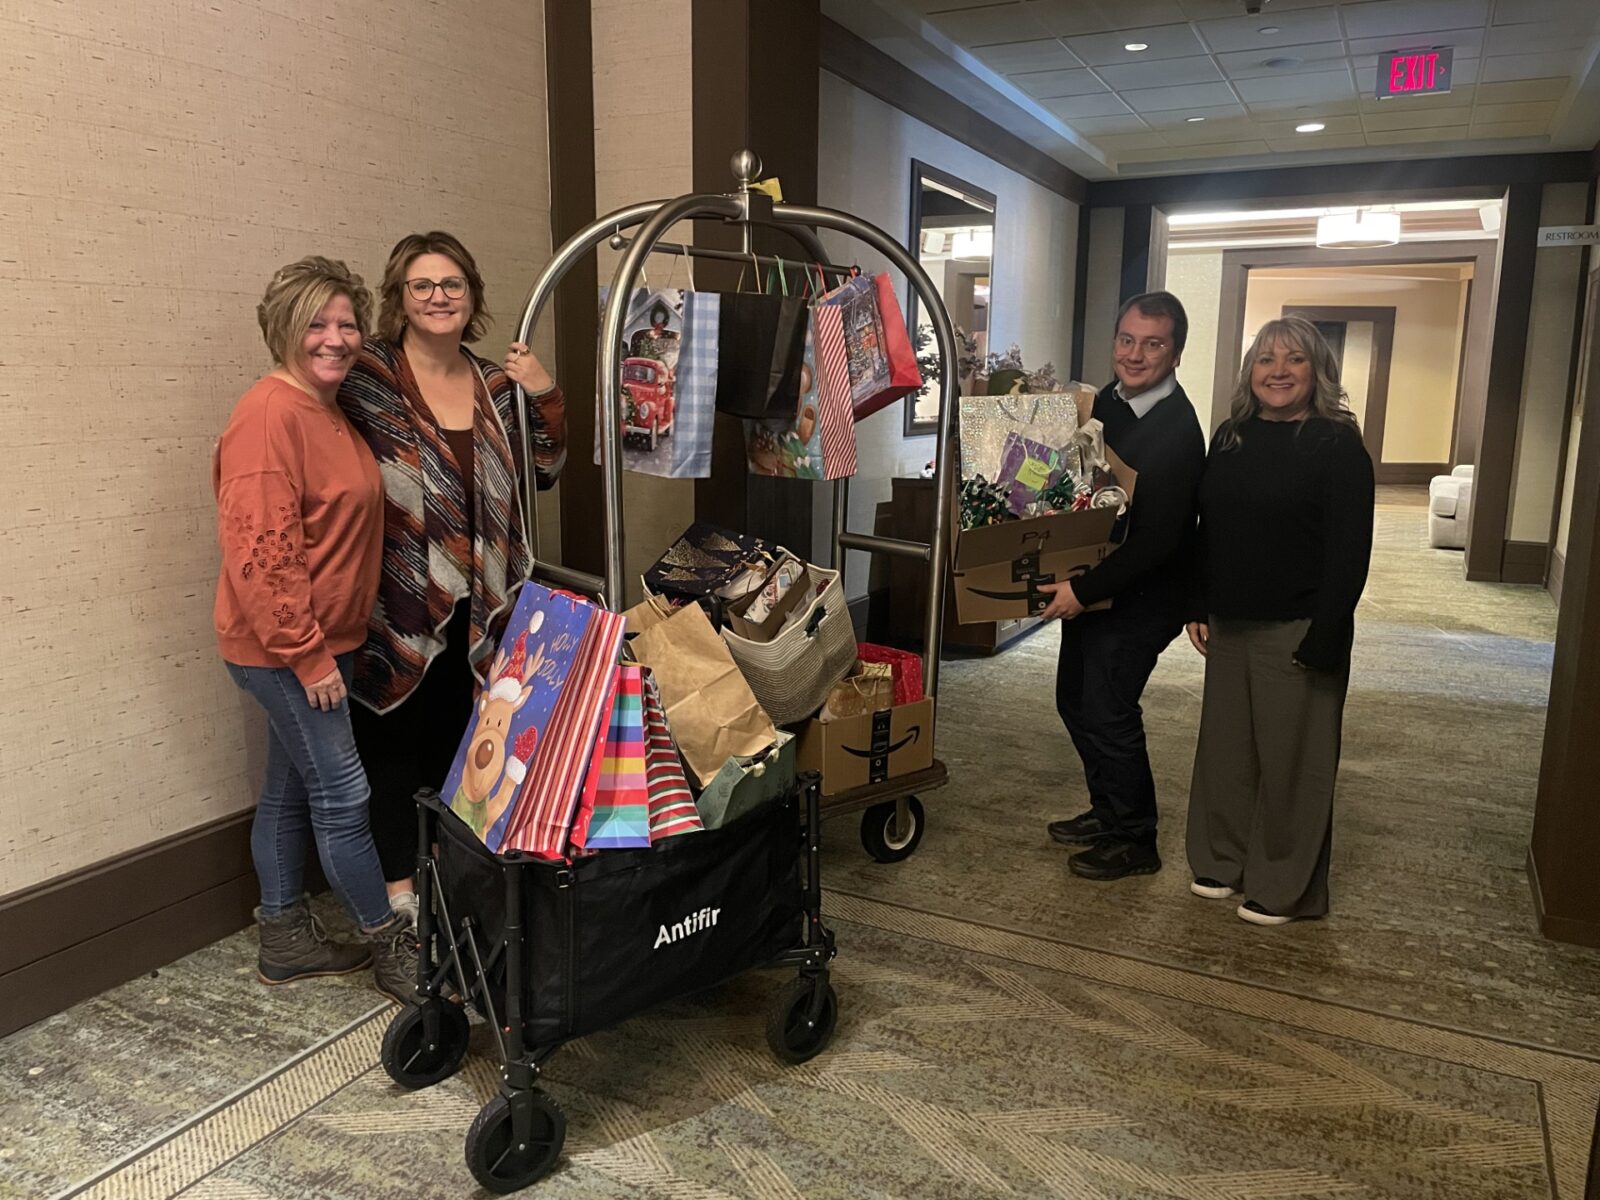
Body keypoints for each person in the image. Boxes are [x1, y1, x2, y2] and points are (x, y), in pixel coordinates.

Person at [339, 232, 567, 920]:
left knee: (457, 734)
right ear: (400, 298)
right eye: (422, 285)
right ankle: (399, 898)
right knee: (390, 737)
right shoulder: (368, 374)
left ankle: (447, 875)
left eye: (452, 284)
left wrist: (544, 391)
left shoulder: (494, 383)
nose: (438, 297)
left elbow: (547, 467)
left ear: (471, 296)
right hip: (391, 592)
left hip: (480, 596)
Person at [214, 256, 417, 1003]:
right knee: (343, 794)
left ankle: (284, 938)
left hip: (325, 642)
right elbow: (261, 553)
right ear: (282, 330)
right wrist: (306, 655)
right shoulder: (269, 416)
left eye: (347, 324)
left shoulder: (325, 407)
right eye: (315, 325)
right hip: (286, 650)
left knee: (289, 788)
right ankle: (389, 945)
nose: (335, 338)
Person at [1184, 316, 1374, 926]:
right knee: (1227, 751)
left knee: (1294, 762)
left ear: (1318, 371)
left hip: (1299, 624)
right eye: (1266, 360)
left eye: (1295, 359)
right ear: (1251, 372)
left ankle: (1285, 885)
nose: (1279, 371)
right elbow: (1208, 528)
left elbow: (1350, 549)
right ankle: (1222, 859)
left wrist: (1329, 628)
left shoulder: (1336, 444)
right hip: (1230, 621)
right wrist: (1198, 603)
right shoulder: (1231, 436)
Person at [1039, 292, 1206, 881]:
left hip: (1147, 593)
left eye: (1152, 344)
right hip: (1100, 580)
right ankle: (1107, 810)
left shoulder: (1177, 431)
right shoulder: (1104, 402)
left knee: (1108, 709)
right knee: (1073, 700)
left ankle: (1136, 838)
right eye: (1126, 340)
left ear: (1176, 354)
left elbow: (1159, 541)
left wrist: (1082, 593)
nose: (1135, 355)